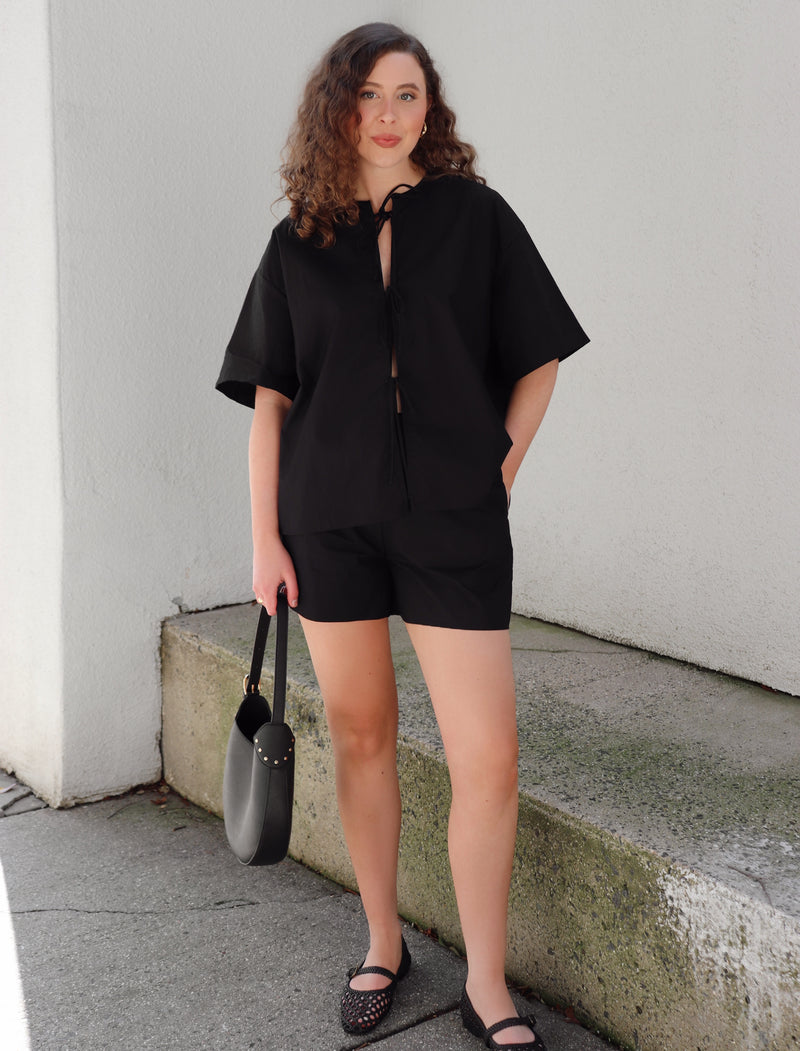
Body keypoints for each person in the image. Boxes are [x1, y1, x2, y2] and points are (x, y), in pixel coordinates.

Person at [217, 22, 588, 1050]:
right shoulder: (297, 240)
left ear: (431, 110)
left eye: (407, 95)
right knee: (362, 735)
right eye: (369, 95)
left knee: (490, 758)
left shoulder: (475, 216)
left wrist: (497, 468)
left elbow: (541, 354)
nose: (387, 115)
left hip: (451, 519)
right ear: (338, 108)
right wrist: (265, 540)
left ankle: (486, 983)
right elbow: (271, 403)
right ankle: (382, 942)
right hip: (326, 520)